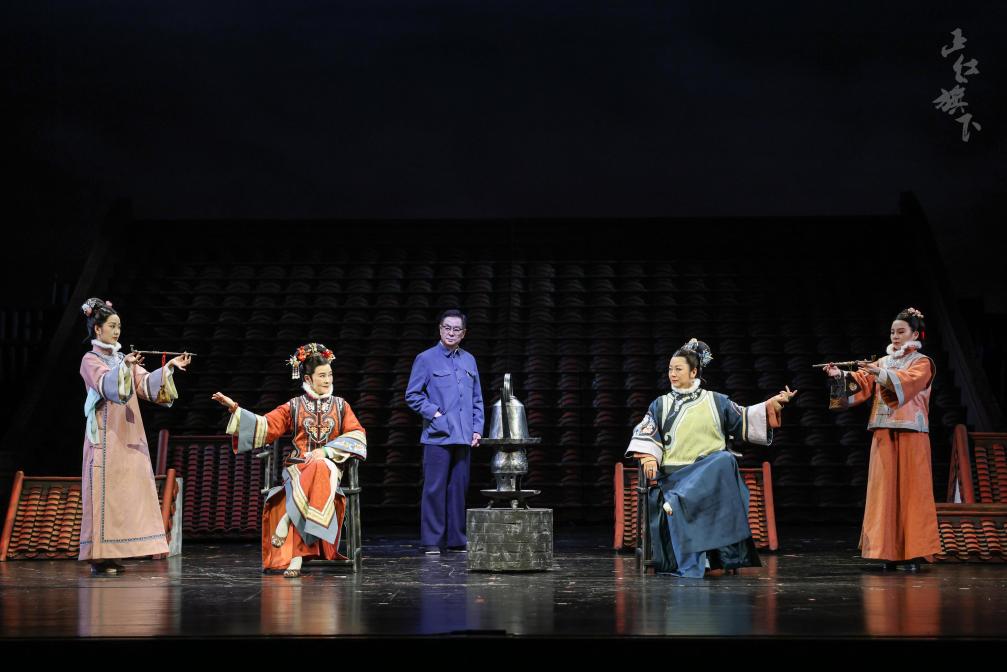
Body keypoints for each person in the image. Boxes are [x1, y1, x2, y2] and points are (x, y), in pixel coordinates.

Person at [626, 338, 796, 577]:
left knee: (724, 460)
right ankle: (679, 501)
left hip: (711, 478)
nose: (672, 374)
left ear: (694, 372)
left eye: (678, 369)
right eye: (670, 369)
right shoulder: (660, 405)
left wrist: (772, 405)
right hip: (676, 477)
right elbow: (646, 432)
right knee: (725, 461)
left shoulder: (717, 401)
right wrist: (649, 457)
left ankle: (679, 502)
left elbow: (745, 417)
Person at [212, 342, 366, 577]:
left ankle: (292, 536)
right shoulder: (294, 406)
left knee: (320, 464)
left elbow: (357, 435)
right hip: (298, 468)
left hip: (330, 466)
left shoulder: (341, 406)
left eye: (330, 375)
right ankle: (296, 550)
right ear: (308, 378)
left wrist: (325, 452)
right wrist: (235, 409)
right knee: (315, 468)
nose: (327, 380)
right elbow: (266, 425)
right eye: (322, 376)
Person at [79, 297, 191, 575]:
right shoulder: (90, 360)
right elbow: (107, 387)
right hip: (106, 434)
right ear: (98, 329)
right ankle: (99, 556)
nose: (117, 331)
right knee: (105, 493)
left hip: (129, 432)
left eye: (119, 326)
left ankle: (117, 553)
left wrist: (169, 367)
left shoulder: (121, 359)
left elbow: (146, 385)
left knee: (128, 492)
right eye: (112, 326)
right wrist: (124, 368)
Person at [824, 307, 941, 571]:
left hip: (912, 433)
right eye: (892, 332)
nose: (895, 336)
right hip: (883, 431)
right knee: (883, 492)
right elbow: (861, 382)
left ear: (915, 334)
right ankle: (887, 551)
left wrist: (878, 373)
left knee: (913, 492)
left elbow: (907, 382)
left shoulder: (922, 362)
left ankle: (913, 553)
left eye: (901, 332)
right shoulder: (882, 362)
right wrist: (840, 376)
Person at [405, 309, 484, 554]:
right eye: (447, 328)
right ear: (440, 329)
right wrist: (435, 414)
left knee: (458, 489)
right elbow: (412, 395)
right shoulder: (426, 359)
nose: (451, 332)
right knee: (434, 489)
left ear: (463, 333)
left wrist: (477, 429)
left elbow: (477, 398)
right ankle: (432, 541)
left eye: (456, 329)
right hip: (437, 435)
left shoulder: (469, 360)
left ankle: (457, 539)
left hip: (464, 436)